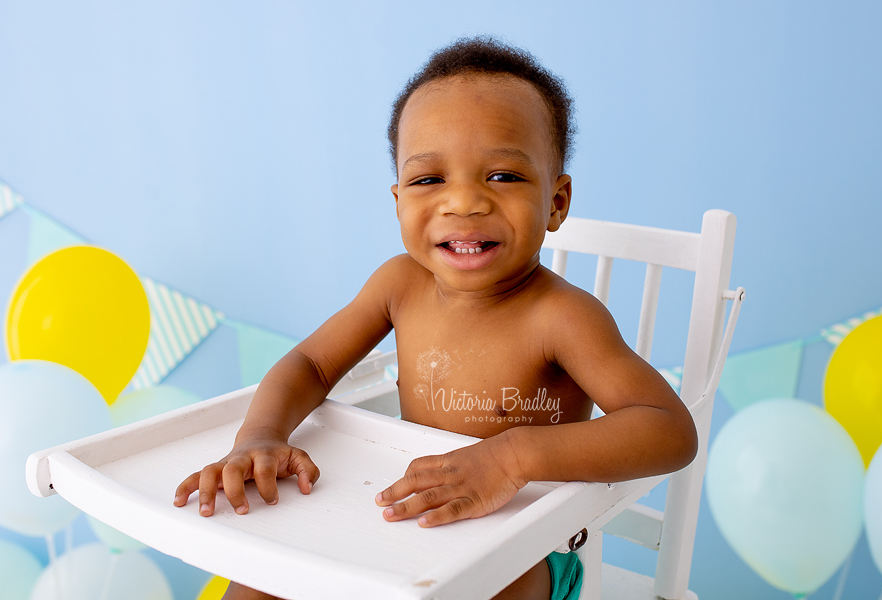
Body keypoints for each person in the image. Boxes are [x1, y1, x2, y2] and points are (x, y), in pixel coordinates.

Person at [174, 36, 698, 600]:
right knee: (260, 582)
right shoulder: (398, 285)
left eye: (503, 176)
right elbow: (311, 363)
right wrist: (261, 435)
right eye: (430, 180)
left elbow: (668, 429)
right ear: (399, 199)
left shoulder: (563, 317)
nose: (464, 202)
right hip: (398, 523)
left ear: (556, 203)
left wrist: (514, 457)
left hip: (525, 548)